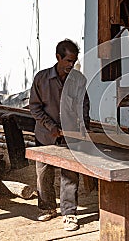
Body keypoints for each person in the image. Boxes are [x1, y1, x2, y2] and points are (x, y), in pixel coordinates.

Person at [29, 39, 90, 231]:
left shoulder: (78, 80)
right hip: (45, 135)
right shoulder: (41, 78)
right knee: (44, 173)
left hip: (70, 136)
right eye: (68, 61)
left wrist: (83, 127)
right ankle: (47, 207)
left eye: (74, 61)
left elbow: (84, 106)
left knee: (70, 174)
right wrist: (50, 126)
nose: (71, 65)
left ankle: (69, 213)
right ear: (58, 58)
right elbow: (35, 108)